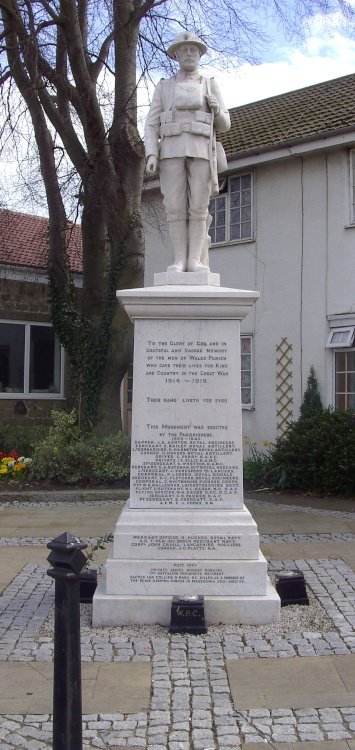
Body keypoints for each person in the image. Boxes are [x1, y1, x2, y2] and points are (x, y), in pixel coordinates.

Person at [144, 32, 231, 273]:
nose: (189, 53)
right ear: (176, 54)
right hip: (171, 150)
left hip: (201, 149)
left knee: (199, 207)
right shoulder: (164, 86)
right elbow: (151, 123)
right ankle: (179, 259)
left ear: (200, 54)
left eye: (194, 49)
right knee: (174, 206)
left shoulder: (210, 84)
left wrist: (217, 109)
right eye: (185, 50)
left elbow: (225, 124)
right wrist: (151, 153)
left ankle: (195, 260)